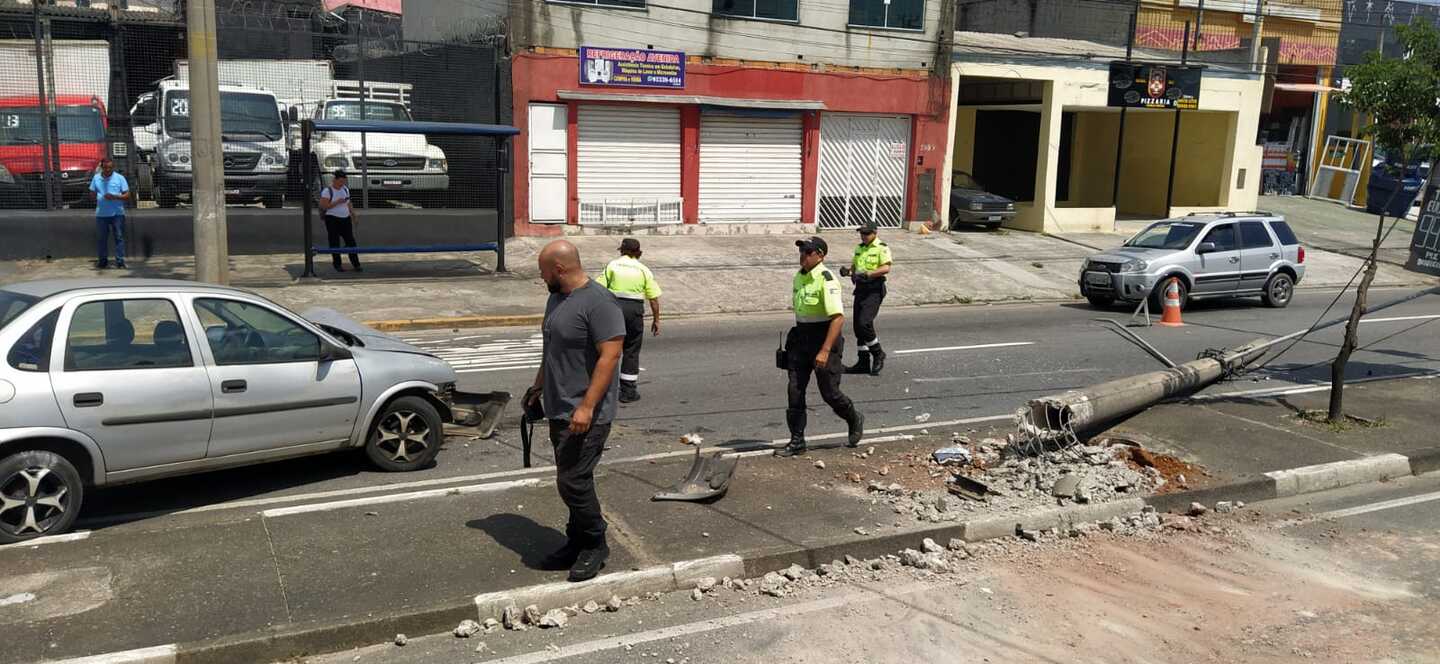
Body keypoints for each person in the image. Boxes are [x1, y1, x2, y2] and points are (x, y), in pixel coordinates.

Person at [523, 239, 626, 582]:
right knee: (569, 478)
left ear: (560, 268)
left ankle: (595, 544)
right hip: (558, 405)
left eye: (543, 272)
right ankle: (576, 541)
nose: (542, 278)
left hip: (586, 413)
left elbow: (610, 356)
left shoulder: (600, 303)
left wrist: (586, 406)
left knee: (574, 480)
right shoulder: (556, 298)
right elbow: (550, 348)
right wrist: (538, 386)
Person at [777, 236, 864, 458]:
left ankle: (854, 417)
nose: (803, 256)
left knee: (830, 393)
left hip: (825, 338)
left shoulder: (827, 280)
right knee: (794, 389)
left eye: (808, 252)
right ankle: (797, 441)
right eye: (801, 252)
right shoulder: (800, 277)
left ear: (820, 255)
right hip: (801, 338)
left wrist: (825, 350)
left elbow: (837, 318)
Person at [600, 238, 662, 403]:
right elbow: (654, 300)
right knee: (631, 350)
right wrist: (656, 320)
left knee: (608, 349)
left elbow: (598, 290)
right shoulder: (644, 270)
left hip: (613, 309)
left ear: (621, 251)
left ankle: (602, 388)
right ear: (639, 253)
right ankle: (628, 392)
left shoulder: (612, 266)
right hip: (634, 312)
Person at [840, 222, 893, 376]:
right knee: (858, 327)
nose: (863, 236)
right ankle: (863, 362)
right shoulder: (859, 248)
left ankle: (878, 353)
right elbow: (855, 269)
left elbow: (886, 268)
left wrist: (869, 274)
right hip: (861, 289)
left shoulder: (881, 247)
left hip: (874, 290)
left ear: (875, 233)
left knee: (864, 323)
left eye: (866, 233)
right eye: (862, 233)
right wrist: (848, 272)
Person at [89, 158, 130, 269]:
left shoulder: (120, 178)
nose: (108, 170)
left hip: (117, 214)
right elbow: (92, 193)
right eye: (105, 167)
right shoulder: (96, 178)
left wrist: (115, 196)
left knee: (119, 237)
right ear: (102, 167)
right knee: (102, 239)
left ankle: (120, 261)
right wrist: (96, 197)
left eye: (110, 167)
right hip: (101, 215)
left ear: (113, 167)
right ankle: (102, 261)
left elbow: (127, 195)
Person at [318, 170, 362, 272]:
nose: (342, 184)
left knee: (351, 241)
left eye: (343, 181)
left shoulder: (345, 189)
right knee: (334, 241)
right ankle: (337, 264)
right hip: (332, 218)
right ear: (335, 180)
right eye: (340, 181)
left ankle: (356, 264)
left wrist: (353, 215)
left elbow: (348, 203)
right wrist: (337, 202)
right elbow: (324, 206)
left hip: (345, 218)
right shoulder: (327, 191)